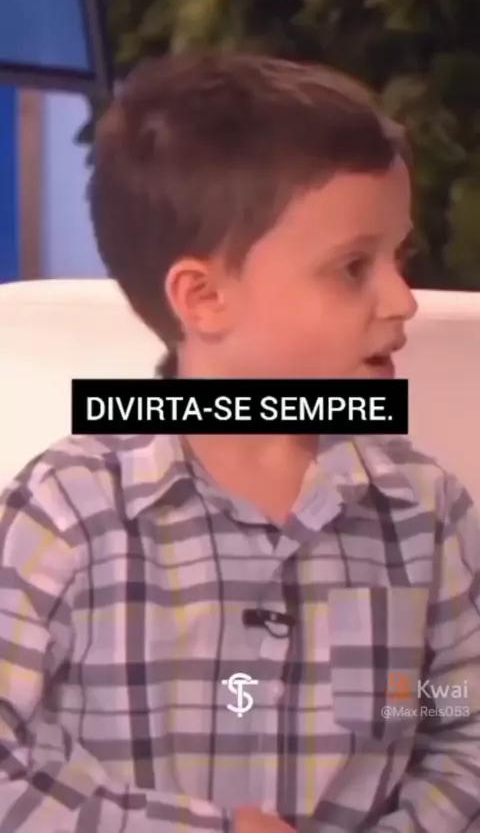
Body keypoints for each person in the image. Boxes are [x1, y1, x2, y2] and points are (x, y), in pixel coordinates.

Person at [0, 53, 479, 833]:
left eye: (400, 258)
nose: (403, 300)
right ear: (204, 297)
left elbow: (459, 722)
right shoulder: (64, 510)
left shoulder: (424, 512)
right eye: (353, 267)